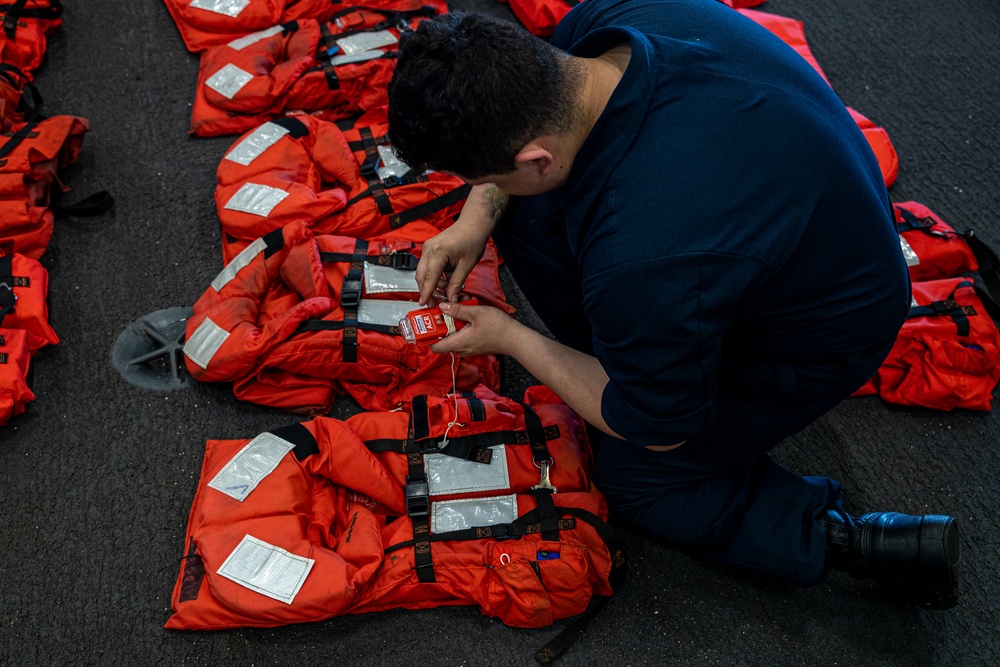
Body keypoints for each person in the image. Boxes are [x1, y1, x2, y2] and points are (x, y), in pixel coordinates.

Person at [386, 0, 959, 608]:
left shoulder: (643, 253)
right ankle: (643, 348)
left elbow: (654, 428)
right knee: (525, 221)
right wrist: (476, 217)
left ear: (534, 157)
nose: (484, 191)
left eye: (487, 178)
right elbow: (538, 177)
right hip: (799, 211)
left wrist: (511, 337)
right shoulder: (598, 27)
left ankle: (841, 538)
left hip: (829, 324)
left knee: (635, 476)